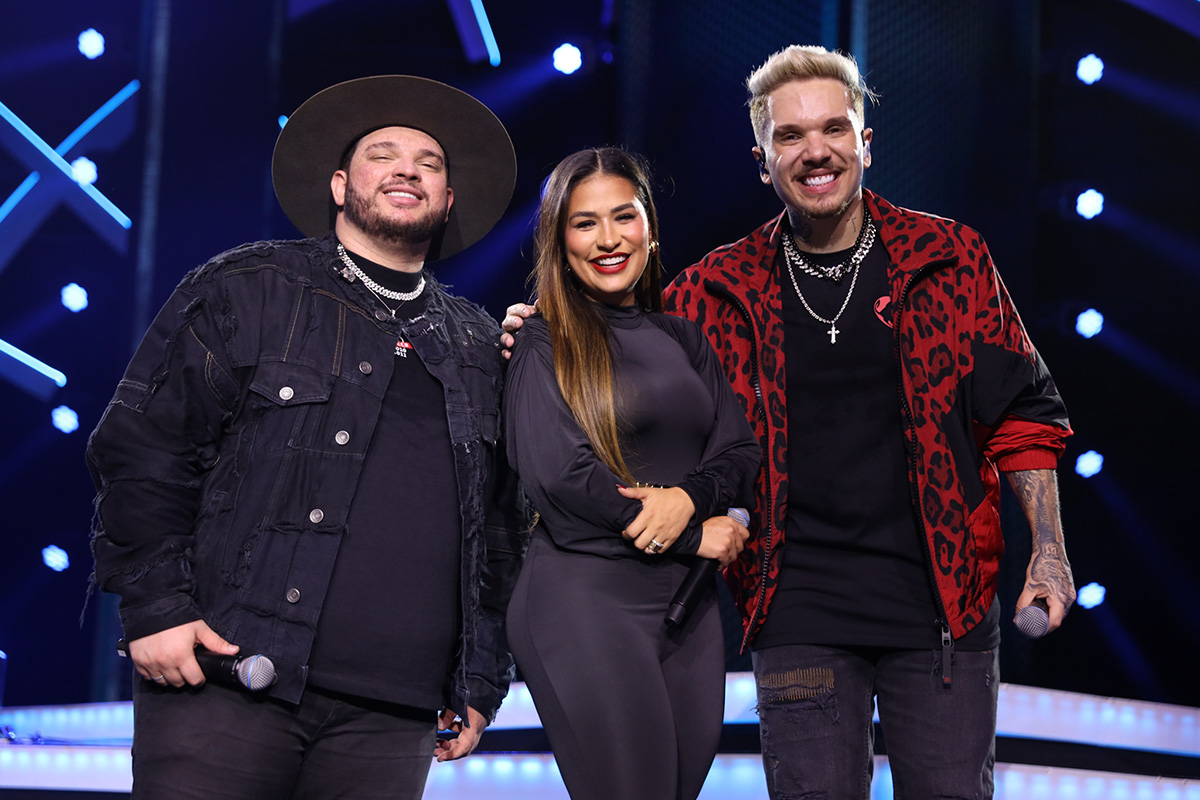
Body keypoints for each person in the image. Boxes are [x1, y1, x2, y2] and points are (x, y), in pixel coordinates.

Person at [505, 47, 1076, 799]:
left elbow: (1024, 414)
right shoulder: (715, 289)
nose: (815, 150)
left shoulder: (949, 259)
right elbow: (626, 351)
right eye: (790, 135)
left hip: (946, 608)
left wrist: (1049, 552)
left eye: (834, 128)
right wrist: (540, 328)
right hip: (796, 609)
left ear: (865, 142)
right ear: (762, 161)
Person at [86, 75, 527, 799]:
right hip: (228, 680)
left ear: (447, 200)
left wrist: (480, 679)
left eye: (429, 163)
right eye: (382, 155)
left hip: (394, 715)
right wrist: (157, 609)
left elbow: (502, 530)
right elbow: (144, 448)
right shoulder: (250, 287)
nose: (407, 170)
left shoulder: (482, 348)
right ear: (339, 185)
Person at [502, 147, 759, 800]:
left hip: (688, 608)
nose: (609, 239)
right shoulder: (540, 340)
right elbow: (560, 476)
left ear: (649, 225)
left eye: (624, 216)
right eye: (585, 223)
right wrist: (690, 534)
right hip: (584, 599)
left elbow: (738, 452)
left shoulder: (683, 337)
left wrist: (688, 500)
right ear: (559, 240)